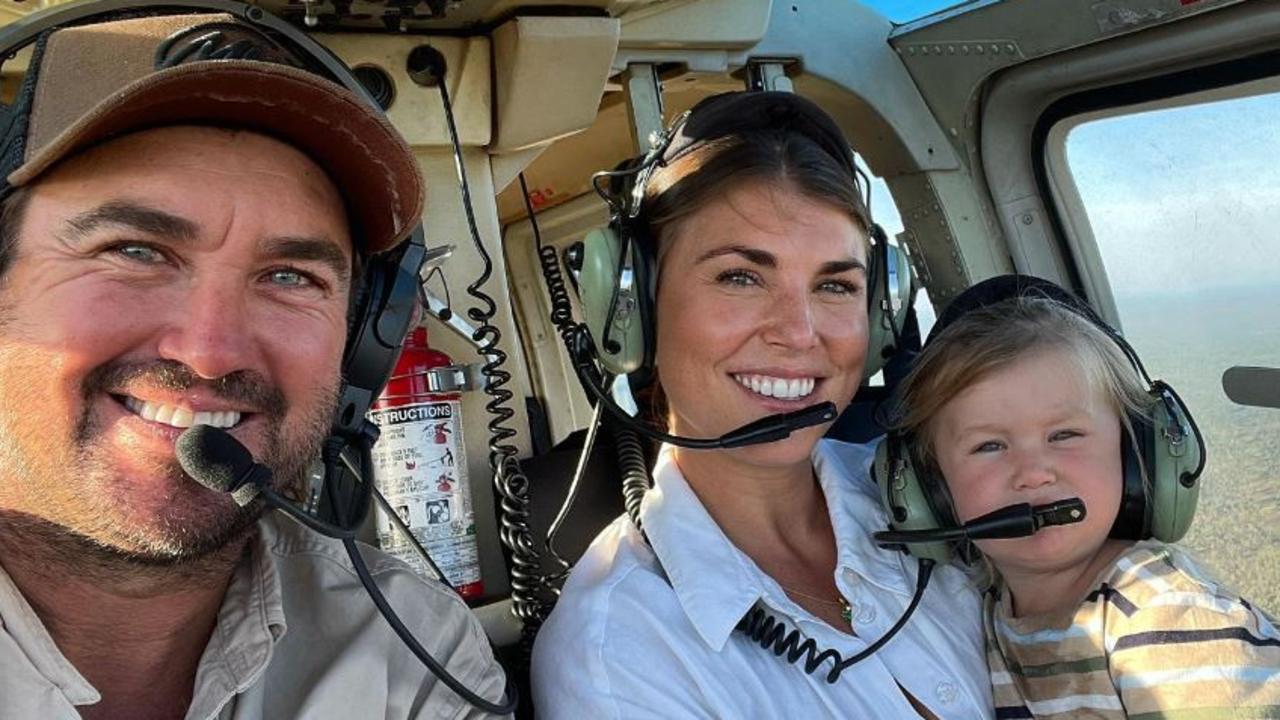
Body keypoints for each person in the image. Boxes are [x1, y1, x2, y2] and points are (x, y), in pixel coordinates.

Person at [0, 7, 508, 719]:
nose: (209, 353)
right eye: (135, 251)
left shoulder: (410, 650)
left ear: (365, 340)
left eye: (291, 277)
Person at [531, 92, 992, 718]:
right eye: (740, 277)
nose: (800, 333)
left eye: (835, 285)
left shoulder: (954, 492)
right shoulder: (620, 650)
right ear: (632, 310)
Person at [890, 275, 1280, 718]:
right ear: (932, 490)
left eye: (1065, 434)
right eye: (989, 446)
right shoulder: (989, 612)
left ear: (1137, 458)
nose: (1033, 474)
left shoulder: (1166, 620)